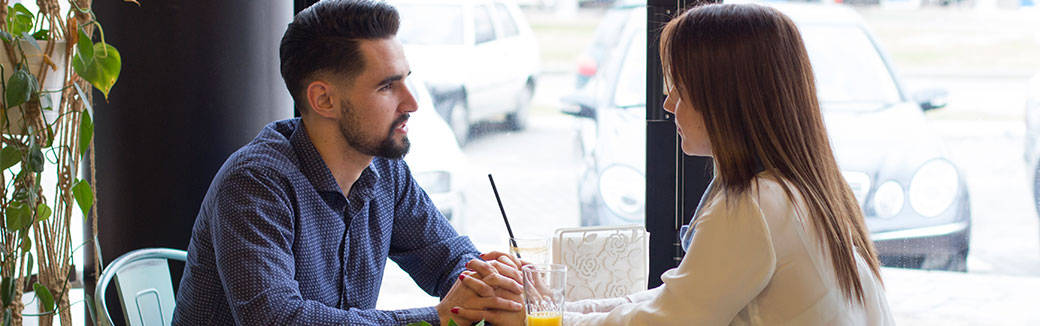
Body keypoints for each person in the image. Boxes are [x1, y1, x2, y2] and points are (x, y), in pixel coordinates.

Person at [452, 3, 895, 325]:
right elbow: (677, 297)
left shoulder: (756, 205)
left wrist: (541, 321)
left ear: (728, 100)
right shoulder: (801, 191)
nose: (667, 104)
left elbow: (668, 320)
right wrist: (553, 310)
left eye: (680, 89)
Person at [171, 1, 522, 324]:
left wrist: (494, 285)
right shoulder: (254, 185)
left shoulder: (384, 169)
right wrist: (436, 318)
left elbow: (447, 258)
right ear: (324, 99)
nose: (412, 103)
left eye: (406, 81)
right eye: (387, 87)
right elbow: (279, 320)